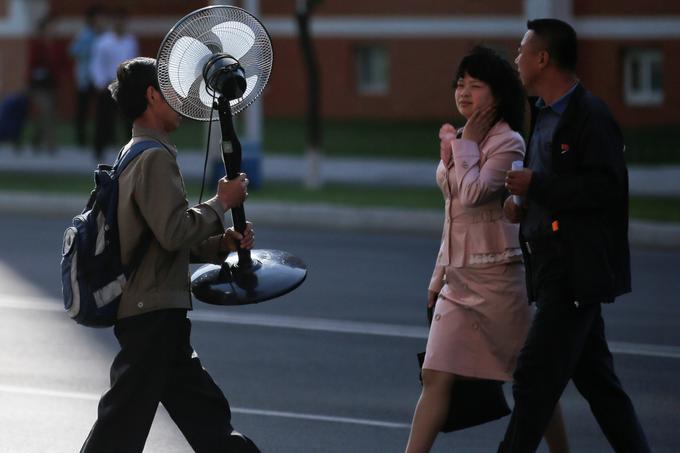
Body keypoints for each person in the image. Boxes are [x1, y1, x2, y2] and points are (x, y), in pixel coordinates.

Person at [80, 57, 261, 453]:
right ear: (151, 96)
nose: (180, 101)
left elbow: (165, 236)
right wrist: (221, 203)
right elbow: (174, 230)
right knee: (121, 427)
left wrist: (219, 244)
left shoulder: (136, 151)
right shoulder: (153, 157)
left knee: (205, 415)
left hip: (158, 311)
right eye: (172, 92)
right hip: (151, 313)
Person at [405, 46, 569, 453]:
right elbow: (453, 215)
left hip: (498, 278)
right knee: (436, 375)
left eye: (475, 86)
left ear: (497, 95)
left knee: (528, 380)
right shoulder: (465, 137)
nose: (464, 92)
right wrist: (438, 273)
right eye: (460, 84)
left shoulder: (508, 142)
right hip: (457, 281)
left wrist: (467, 146)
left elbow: (475, 194)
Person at [500, 19, 651, 453]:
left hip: (574, 270)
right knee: (600, 385)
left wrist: (537, 186)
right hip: (550, 265)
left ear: (543, 58)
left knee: (532, 375)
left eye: (522, 50)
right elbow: (548, 185)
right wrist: (522, 204)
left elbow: (604, 191)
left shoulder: (591, 116)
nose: (516, 58)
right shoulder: (544, 113)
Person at [90, 7, 138, 161]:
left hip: (125, 85)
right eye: (118, 21)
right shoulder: (104, 42)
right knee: (104, 119)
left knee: (128, 121)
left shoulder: (130, 41)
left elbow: (134, 62)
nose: (121, 24)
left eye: (123, 21)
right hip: (108, 85)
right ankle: (99, 150)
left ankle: (130, 151)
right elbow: (97, 63)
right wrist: (99, 82)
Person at [26, 14, 66, 153]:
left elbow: (62, 62)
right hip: (38, 85)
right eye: (50, 26)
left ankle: (36, 140)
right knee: (46, 110)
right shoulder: (37, 44)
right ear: (43, 28)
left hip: (52, 84)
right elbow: (32, 63)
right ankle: (51, 145)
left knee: (49, 114)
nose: (53, 29)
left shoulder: (57, 45)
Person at [69, 5, 104, 147]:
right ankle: (81, 139)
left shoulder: (104, 35)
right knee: (82, 109)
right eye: (98, 17)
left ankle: (103, 137)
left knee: (103, 108)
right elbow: (73, 51)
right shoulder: (84, 35)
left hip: (99, 78)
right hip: (85, 78)